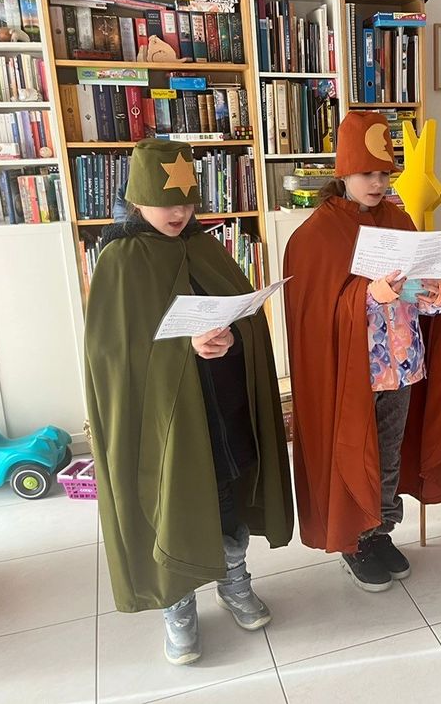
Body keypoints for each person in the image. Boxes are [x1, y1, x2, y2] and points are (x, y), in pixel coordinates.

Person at [84, 139, 293, 664]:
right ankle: (176, 603)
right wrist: (185, 348)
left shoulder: (207, 247)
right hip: (164, 425)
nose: (178, 213)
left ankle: (234, 580)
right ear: (137, 200)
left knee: (226, 498)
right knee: (172, 504)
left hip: (221, 411)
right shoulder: (120, 261)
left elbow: (245, 320)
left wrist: (232, 337)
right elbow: (113, 359)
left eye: (187, 201)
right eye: (165, 202)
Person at [283, 111, 441, 592]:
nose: (377, 183)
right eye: (367, 172)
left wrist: (437, 291)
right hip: (352, 374)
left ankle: (381, 530)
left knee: (388, 455)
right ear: (344, 171)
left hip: (402, 366)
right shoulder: (315, 235)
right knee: (355, 453)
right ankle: (355, 539)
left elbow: (416, 293)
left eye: (385, 173)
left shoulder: (399, 219)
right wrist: (368, 294)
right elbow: (317, 312)